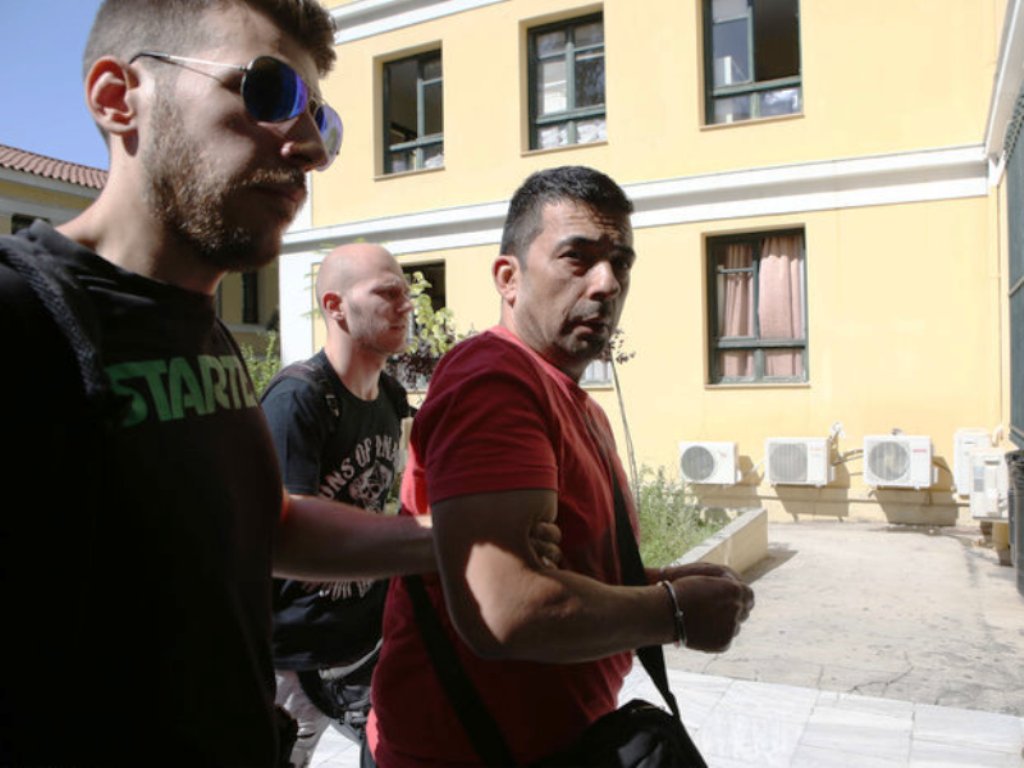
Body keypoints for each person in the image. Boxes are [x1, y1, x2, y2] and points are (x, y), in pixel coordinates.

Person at [0, 3, 559, 766]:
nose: (310, 151)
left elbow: (268, 525)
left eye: (321, 122)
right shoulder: (24, 317)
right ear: (118, 98)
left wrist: (457, 538)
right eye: (267, 92)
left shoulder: (199, 325)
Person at [369, 165, 756, 767]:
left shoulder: (574, 401)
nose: (607, 283)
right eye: (578, 257)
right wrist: (674, 613)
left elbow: (565, 572)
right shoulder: (494, 381)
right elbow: (507, 610)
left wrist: (658, 583)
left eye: (621, 263)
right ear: (509, 278)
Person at [262, 243, 415, 768]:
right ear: (336, 306)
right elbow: (282, 534)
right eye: (387, 293)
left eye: (406, 292)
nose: (405, 304)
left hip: (363, 645)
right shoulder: (298, 399)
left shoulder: (391, 398)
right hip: (293, 660)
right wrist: (428, 538)